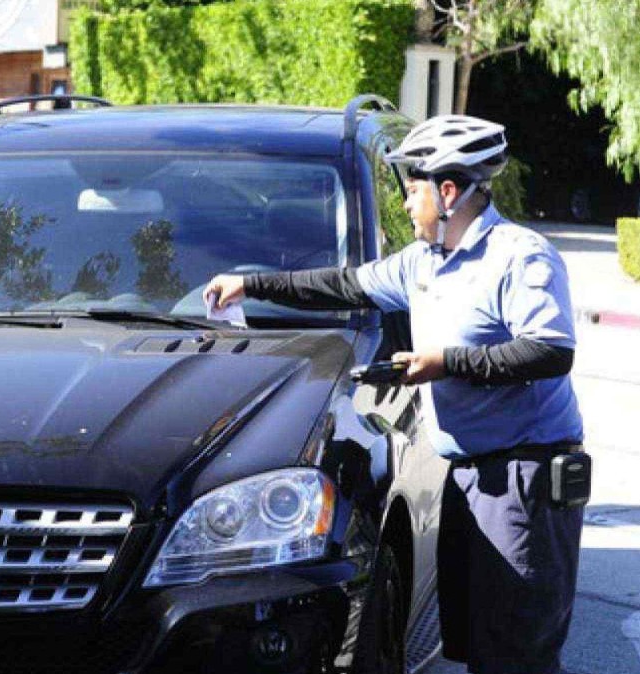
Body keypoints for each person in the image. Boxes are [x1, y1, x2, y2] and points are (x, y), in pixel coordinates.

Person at [203, 114, 584, 674]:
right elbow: (344, 283)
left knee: (516, 652)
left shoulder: (519, 255)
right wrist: (251, 283)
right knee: (480, 645)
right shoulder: (422, 261)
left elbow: (551, 352)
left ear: (447, 192)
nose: (407, 205)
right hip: (471, 471)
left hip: (524, 478)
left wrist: (444, 365)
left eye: (413, 192)